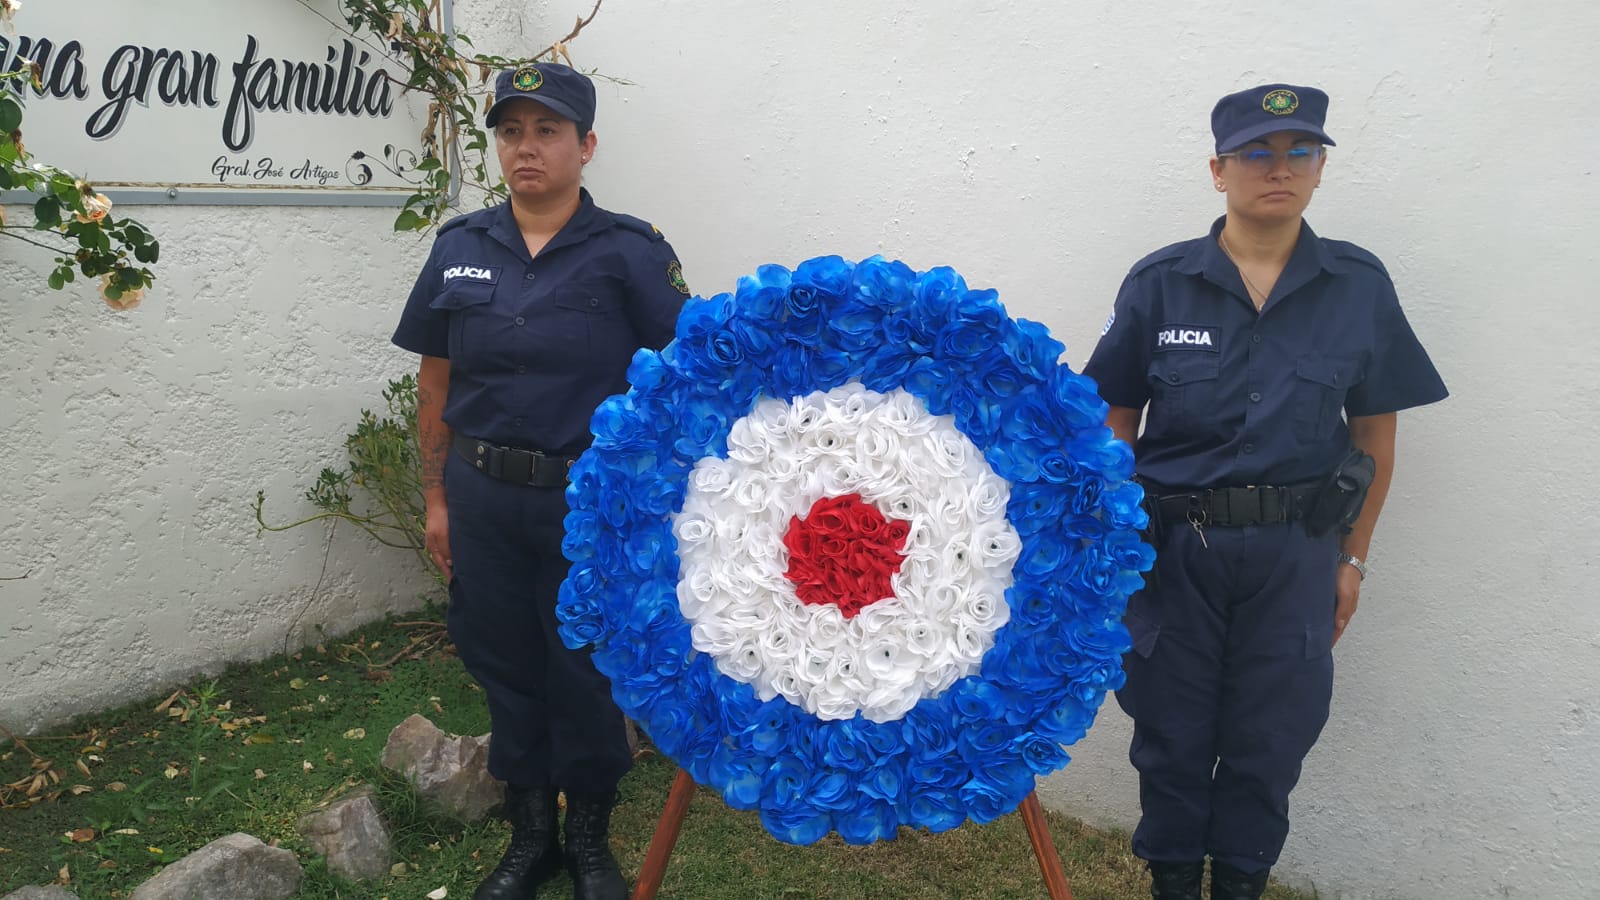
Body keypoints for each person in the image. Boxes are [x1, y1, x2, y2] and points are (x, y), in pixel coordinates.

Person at [1082, 83, 1447, 900]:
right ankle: (1174, 885)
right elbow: (1115, 417)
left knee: (1271, 737)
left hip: (1296, 555)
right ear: (1219, 170)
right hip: (1173, 554)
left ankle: (1242, 885)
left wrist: (1353, 559)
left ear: (1319, 169)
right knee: (1170, 735)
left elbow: (1375, 436)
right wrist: (1114, 545)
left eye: (1300, 153)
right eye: (1256, 153)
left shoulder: (1358, 286)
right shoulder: (1161, 284)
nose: (1278, 169)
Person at [391, 62, 689, 900]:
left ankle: (590, 841)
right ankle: (532, 839)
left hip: (588, 503)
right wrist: (437, 498)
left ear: (585, 145)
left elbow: (684, 381)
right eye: (512, 131)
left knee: (586, 665)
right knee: (505, 661)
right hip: (483, 497)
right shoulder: (460, 248)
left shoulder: (631, 253)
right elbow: (436, 385)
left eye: (548, 131)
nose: (527, 148)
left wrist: (657, 499)